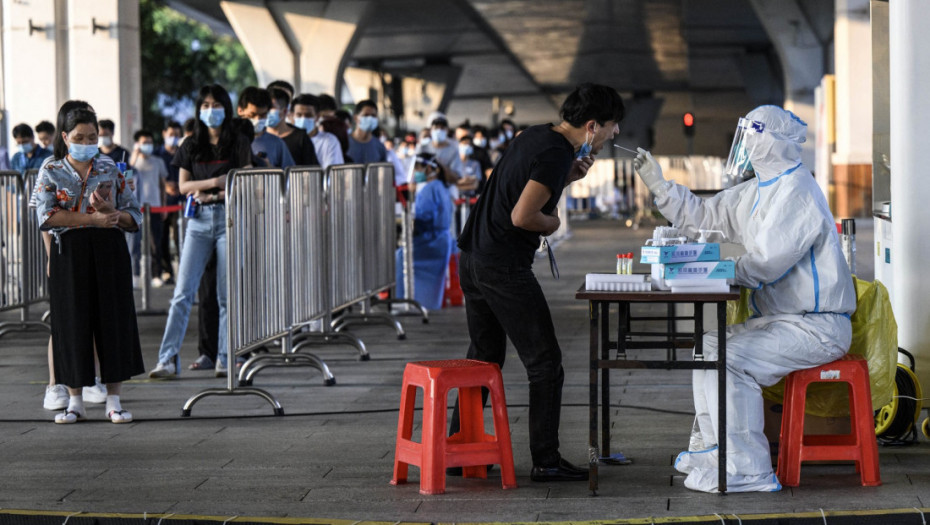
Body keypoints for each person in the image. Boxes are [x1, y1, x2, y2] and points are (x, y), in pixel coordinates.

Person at [633, 105, 857, 493]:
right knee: (707, 345)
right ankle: (714, 449)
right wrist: (661, 187)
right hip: (785, 320)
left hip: (817, 326)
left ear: (769, 142)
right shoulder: (760, 189)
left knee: (730, 359)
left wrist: (713, 265)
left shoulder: (798, 191)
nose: (747, 147)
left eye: (752, 138)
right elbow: (706, 214)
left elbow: (765, 265)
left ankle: (749, 470)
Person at [452, 82, 622, 481]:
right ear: (593, 126)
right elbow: (523, 216)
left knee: (483, 356)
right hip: (503, 265)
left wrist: (565, 179)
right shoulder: (555, 153)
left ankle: (462, 448)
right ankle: (546, 460)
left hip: (473, 256)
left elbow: (516, 188)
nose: (615, 135)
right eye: (613, 127)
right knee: (546, 364)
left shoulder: (536, 135)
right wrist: (555, 221)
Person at [31, 100, 145, 423]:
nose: (87, 143)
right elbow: (47, 215)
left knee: (113, 321)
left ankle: (114, 400)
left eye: (92, 137)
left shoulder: (111, 167)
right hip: (70, 250)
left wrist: (113, 214)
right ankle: (74, 400)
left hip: (109, 249)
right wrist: (91, 219)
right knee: (71, 323)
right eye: (79, 137)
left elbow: (134, 215)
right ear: (65, 137)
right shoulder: (50, 171)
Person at [149, 84, 252, 379]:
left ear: (226, 107)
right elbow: (184, 186)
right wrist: (217, 183)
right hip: (197, 221)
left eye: (215, 104)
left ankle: (224, 357)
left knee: (225, 295)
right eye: (205, 105)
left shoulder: (239, 141)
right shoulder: (190, 143)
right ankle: (167, 359)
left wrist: (217, 192)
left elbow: (244, 178)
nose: (211, 111)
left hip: (230, 219)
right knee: (182, 292)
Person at [394, 153, 454, 310]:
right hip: (440, 241)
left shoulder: (430, 189)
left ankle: (405, 303)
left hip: (431, 241)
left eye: (418, 168)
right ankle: (423, 304)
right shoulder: (440, 187)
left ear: (428, 168)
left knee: (401, 257)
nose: (415, 172)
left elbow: (423, 217)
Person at [127, 129, 168, 288]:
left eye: (150, 143)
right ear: (137, 144)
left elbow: (162, 185)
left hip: (155, 207)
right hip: (137, 208)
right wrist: (134, 157)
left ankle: (156, 274)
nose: (148, 146)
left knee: (155, 243)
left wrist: (164, 206)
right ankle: (135, 274)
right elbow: (127, 177)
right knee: (135, 244)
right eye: (144, 143)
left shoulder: (158, 161)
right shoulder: (133, 162)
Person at [237, 87, 295, 169]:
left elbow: (290, 176)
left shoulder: (277, 144)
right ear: (240, 110)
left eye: (262, 115)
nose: (257, 120)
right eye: (252, 115)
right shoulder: (228, 141)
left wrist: (269, 169)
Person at [156, 120, 183, 285]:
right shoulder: (157, 154)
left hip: (181, 201)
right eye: (171, 134)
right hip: (163, 202)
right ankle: (167, 271)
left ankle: (183, 270)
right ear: (164, 134)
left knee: (180, 236)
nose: (173, 138)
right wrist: (165, 186)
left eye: (177, 135)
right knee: (163, 237)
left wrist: (181, 186)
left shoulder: (183, 152)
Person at [265, 87, 318, 166]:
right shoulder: (256, 137)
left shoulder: (301, 138)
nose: (266, 112)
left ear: (285, 111)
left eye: (271, 108)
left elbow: (312, 171)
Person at [292, 94, 344, 170]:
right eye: (299, 115)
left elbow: (332, 174)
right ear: (292, 116)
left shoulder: (329, 141)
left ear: (317, 117)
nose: (303, 119)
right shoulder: (287, 140)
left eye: (308, 115)